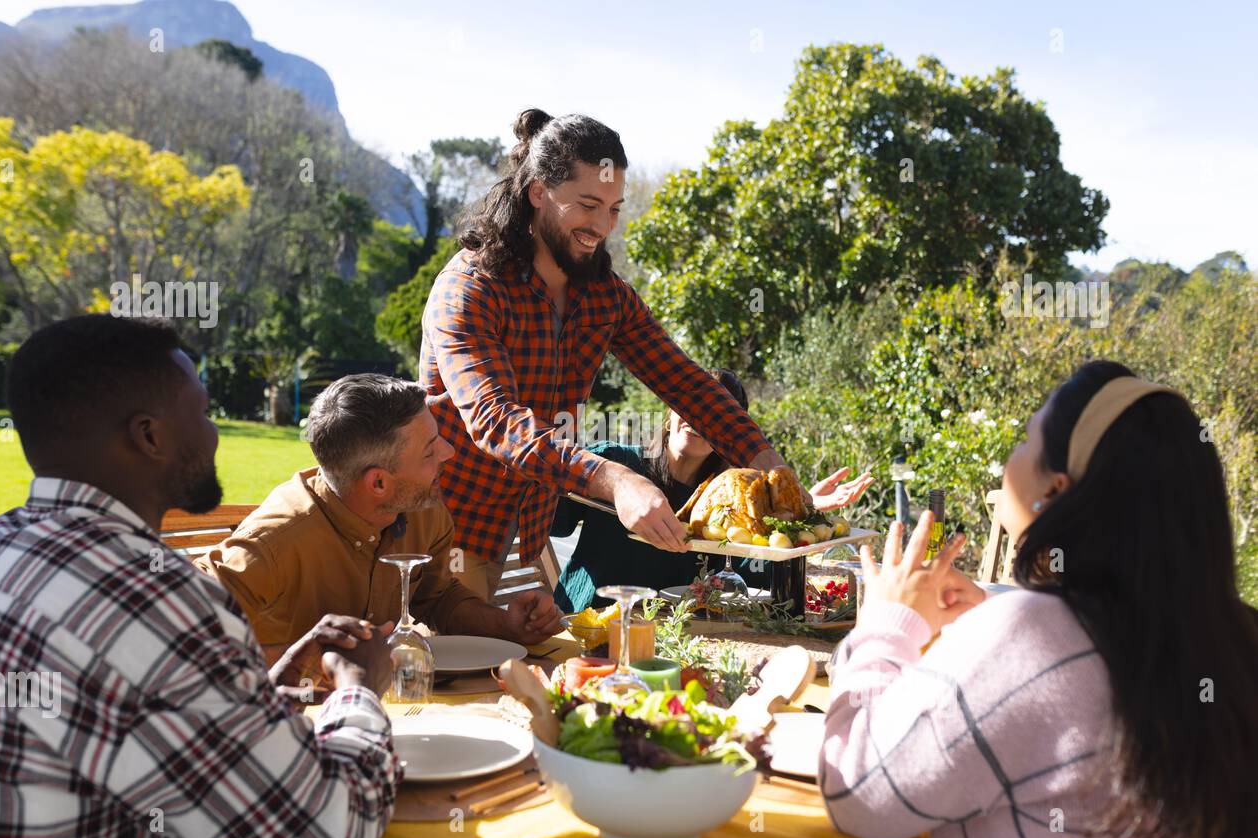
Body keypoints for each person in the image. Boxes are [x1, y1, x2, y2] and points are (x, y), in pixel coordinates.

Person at [0, 315, 401, 838]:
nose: (214, 433)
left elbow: (117, 719)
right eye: (202, 411)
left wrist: (258, 693)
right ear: (150, 435)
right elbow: (327, 837)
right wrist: (360, 689)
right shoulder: (157, 598)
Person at [420, 107, 870, 601]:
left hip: (527, 535)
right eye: (588, 205)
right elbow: (496, 421)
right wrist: (614, 479)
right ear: (538, 193)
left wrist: (772, 467)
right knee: (452, 671)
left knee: (535, 670)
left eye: (613, 209)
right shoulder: (469, 288)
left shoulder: (604, 297)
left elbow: (688, 385)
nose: (602, 226)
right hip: (448, 531)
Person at [823, 360, 1258, 838]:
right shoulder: (1238, 638)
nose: (1010, 457)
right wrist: (994, 621)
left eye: (1024, 440)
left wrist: (884, 623)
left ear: (1055, 488)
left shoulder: (1030, 638)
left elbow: (858, 793)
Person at [196, 374, 563, 687]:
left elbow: (437, 597)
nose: (449, 452)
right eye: (430, 450)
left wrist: (506, 624)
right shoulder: (273, 543)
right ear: (378, 484)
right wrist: (302, 659)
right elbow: (181, 629)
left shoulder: (425, 512)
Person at [552, 369, 783, 612]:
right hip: (582, 625)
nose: (700, 417)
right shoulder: (614, 461)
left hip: (669, 637)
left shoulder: (724, 503)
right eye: (692, 403)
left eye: (716, 415)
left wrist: (791, 519)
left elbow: (747, 572)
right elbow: (554, 520)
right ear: (671, 411)